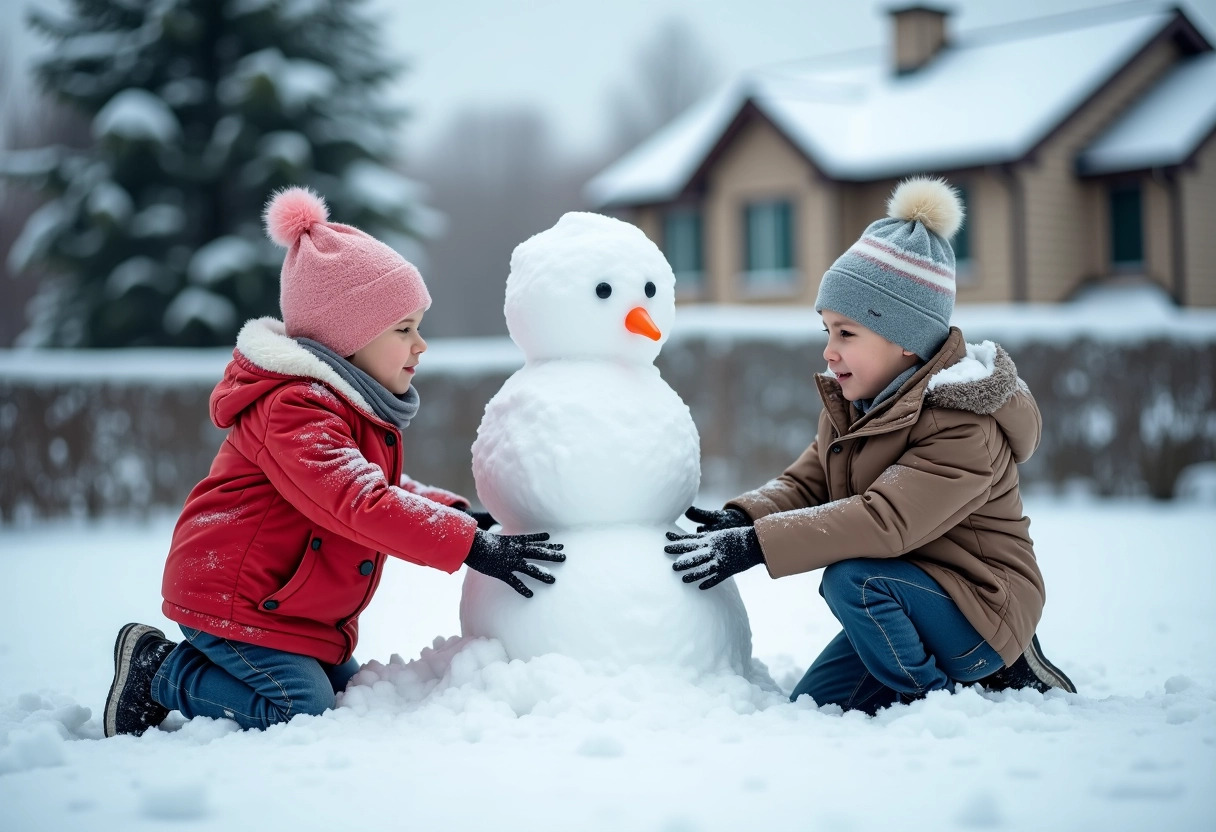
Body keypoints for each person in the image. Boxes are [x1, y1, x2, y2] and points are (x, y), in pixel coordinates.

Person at [104, 187, 563, 737]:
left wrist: (461, 515)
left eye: (418, 326)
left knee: (353, 696)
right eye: (403, 329)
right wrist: (469, 545)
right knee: (304, 710)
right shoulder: (293, 409)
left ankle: (192, 672)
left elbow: (380, 483)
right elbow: (358, 500)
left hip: (288, 613)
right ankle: (157, 670)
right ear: (348, 338)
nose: (421, 346)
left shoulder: (348, 406)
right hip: (235, 601)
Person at [664, 177, 1075, 714]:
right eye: (827, 330)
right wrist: (741, 518)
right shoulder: (855, 406)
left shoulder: (963, 423)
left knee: (851, 580)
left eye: (847, 333)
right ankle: (922, 676)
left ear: (905, 338)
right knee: (815, 705)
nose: (830, 352)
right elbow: (808, 483)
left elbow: (883, 521)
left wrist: (758, 545)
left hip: (981, 607)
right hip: (907, 594)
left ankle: (948, 699)